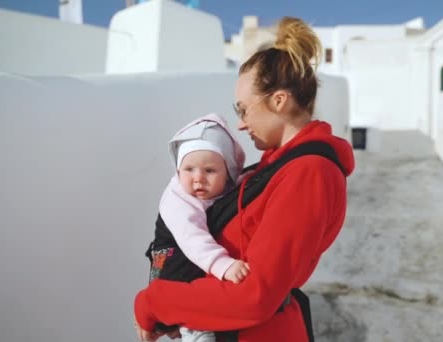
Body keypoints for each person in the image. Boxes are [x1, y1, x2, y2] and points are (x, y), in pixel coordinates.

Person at [134, 16, 355, 341]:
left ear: (279, 100)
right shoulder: (273, 170)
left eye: (243, 110)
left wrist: (154, 302)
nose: (240, 123)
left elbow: (255, 295)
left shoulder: (307, 174)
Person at [144, 113, 250, 342]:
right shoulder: (178, 199)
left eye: (210, 171)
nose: (198, 178)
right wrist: (224, 265)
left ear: (228, 174)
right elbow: (193, 239)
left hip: (191, 255)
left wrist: (249, 180)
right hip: (169, 258)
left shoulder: (223, 186)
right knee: (182, 295)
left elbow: (233, 189)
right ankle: (193, 331)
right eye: (189, 169)